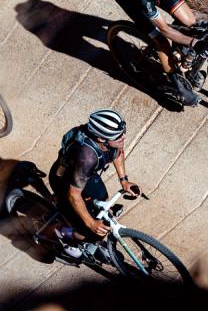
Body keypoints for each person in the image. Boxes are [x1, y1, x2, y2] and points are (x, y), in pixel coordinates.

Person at [48, 109, 141, 258]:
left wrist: (124, 181)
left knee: (103, 202)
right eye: (118, 136)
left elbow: (118, 152)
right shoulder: (87, 158)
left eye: (123, 132)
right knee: (89, 232)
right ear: (101, 139)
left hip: (85, 175)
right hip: (65, 183)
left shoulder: (112, 141)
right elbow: (74, 195)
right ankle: (62, 232)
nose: (124, 136)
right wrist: (91, 223)